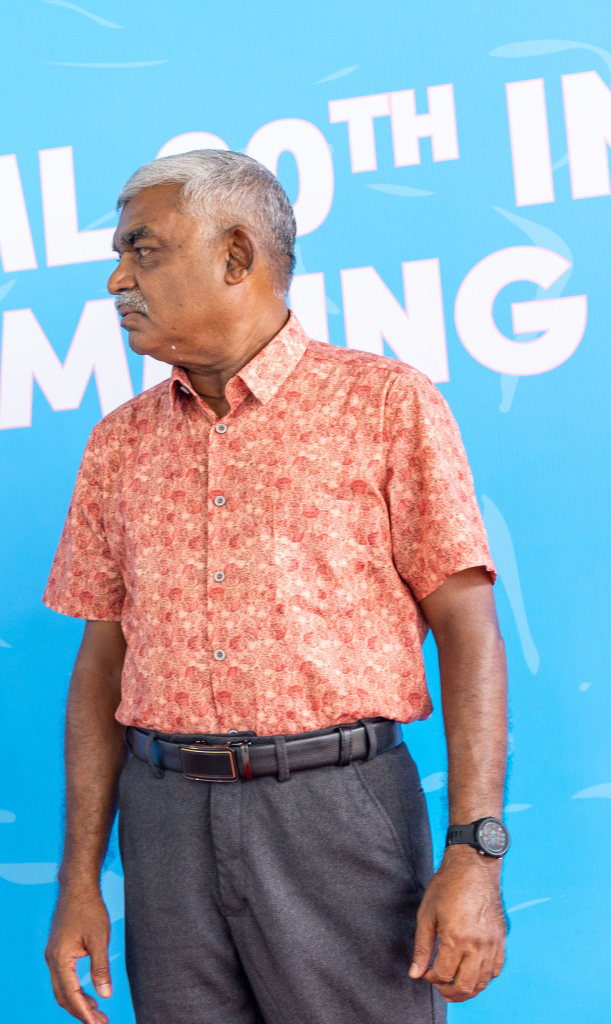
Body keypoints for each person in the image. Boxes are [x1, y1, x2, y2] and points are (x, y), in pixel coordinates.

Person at [41, 151, 509, 1024]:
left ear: (236, 256)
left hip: (338, 816)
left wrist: (475, 855)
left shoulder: (384, 405)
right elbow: (100, 669)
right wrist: (80, 883)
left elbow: (469, 629)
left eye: (143, 250)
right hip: (165, 822)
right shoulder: (117, 446)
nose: (116, 277)